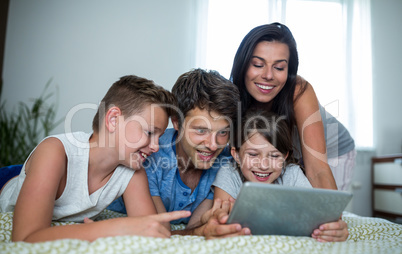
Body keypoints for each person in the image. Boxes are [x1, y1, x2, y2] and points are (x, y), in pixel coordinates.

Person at [0, 75, 191, 242]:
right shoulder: (55, 152)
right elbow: (25, 238)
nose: (156, 146)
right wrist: (109, 229)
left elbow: (150, 229)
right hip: (8, 180)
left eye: (159, 136)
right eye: (149, 132)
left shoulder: (132, 171)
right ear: (113, 119)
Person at [108, 68, 250, 238]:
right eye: (200, 131)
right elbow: (159, 229)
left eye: (222, 133)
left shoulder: (227, 162)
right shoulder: (150, 152)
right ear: (176, 122)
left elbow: (201, 225)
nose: (213, 145)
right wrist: (199, 231)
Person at [230, 22, 356, 191]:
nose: (268, 75)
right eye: (258, 65)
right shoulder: (230, 94)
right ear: (243, 65)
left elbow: (317, 168)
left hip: (333, 153)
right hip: (285, 157)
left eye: (279, 67)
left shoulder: (298, 91)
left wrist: (331, 213)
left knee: (324, 211)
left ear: (289, 70)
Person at [211, 109, 349, 242]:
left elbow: (315, 217)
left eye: (274, 155)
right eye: (253, 154)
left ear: (285, 156)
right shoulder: (229, 172)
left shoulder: (292, 173)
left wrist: (331, 229)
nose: (264, 165)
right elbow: (222, 219)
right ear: (236, 155)